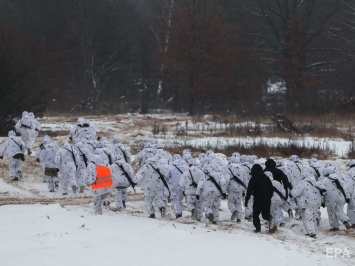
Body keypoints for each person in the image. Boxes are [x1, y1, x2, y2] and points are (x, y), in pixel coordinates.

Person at [291, 170, 326, 238]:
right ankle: (314, 230)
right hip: (316, 203)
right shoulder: (316, 182)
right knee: (313, 217)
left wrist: (291, 192)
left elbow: (295, 193)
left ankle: (312, 233)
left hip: (307, 204)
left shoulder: (302, 183)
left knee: (307, 219)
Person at [245, 164, 275, 233]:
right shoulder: (266, 178)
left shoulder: (253, 178)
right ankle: (269, 225)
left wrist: (247, 199)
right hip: (267, 199)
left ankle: (258, 229)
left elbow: (249, 189)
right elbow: (271, 189)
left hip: (258, 199)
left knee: (255, 215)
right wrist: (269, 197)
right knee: (265, 214)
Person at [320, 166, 352, 230]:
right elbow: (344, 188)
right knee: (340, 211)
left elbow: (322, 193)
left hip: (330, 199)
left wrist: (322, 202)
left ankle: (335, 227)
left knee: (331, 212)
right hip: (341, 198)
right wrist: (347, 197)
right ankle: (345, 220)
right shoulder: (338, 178)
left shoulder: (324, 180)